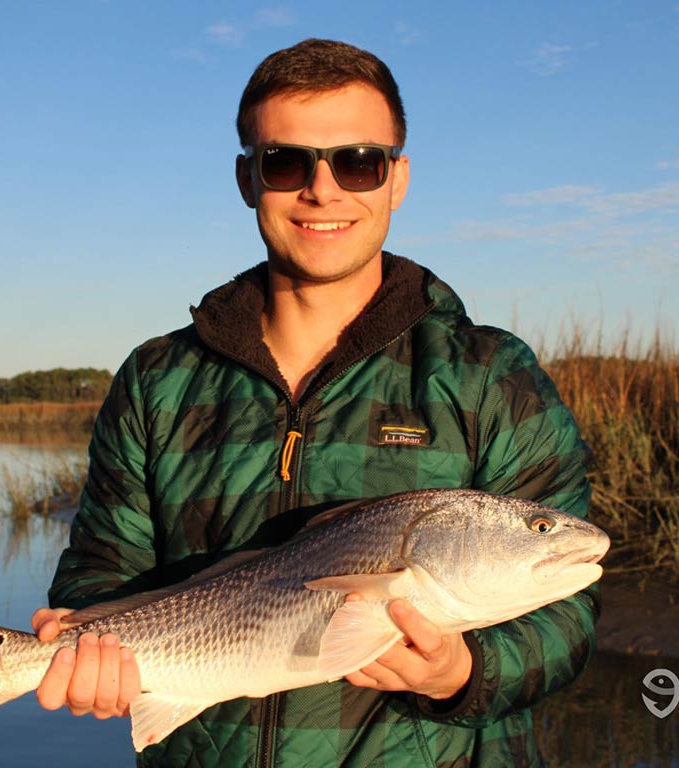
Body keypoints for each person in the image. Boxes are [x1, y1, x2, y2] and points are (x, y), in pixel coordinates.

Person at [31, 38, 597, 767]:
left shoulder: (490, 373)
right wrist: (90, 645)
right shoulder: (156, 377)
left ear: (397, 178)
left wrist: (462, 673)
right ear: (247, 179)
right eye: (286, 162)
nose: (323, 191)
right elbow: (101, 568)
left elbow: (571, 618)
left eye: (358, 162)